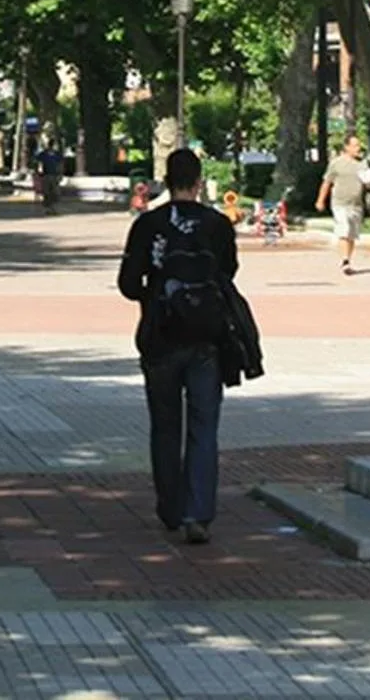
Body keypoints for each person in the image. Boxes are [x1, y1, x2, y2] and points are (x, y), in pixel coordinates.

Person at [117, 148, 240, 544]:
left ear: (165, 181)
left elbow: (128, 283)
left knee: (165, 425)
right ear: (199, 181)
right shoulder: (217, 224)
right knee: (205, 426)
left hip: (161, 335)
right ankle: (198, 511)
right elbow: (229, 271)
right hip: (207, 337)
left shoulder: (148, 224)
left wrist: (153, 291)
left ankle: (170, 505)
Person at [315, 134, 370, 276]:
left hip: (356, 204)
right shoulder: (336, 163)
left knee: (352, 235)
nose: (358, 148)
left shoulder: (362, 164)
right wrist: (320, 200)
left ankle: (347, 258)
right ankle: (345, 261)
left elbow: (368, 183)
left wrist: (369, 181)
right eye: (355, 145)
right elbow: (327, 182)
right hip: (339, 203)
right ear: (347, 147)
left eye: (359, 145)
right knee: (343, 230)